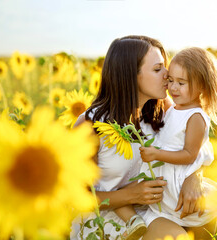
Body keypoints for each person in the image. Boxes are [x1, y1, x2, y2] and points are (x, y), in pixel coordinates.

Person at [70, 36, 206, 240]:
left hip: (152, 210)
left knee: (206, 219)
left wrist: (193, 177)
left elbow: (196, 145)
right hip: (101, 219)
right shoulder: (90, 125)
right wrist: (130, 195)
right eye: (158, 69)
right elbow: (75, 198)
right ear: (130, 75)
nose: (167, 75)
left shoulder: (164, 108)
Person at [138, 47, 217, 239]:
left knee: (197, 222)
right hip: (167, 187)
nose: (173, 88)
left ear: (202, 86)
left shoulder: (195, 117)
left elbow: (189, 155)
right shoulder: (174, 108)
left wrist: (156, 154)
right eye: (171, 80)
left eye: (181, 83)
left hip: (178, 187)